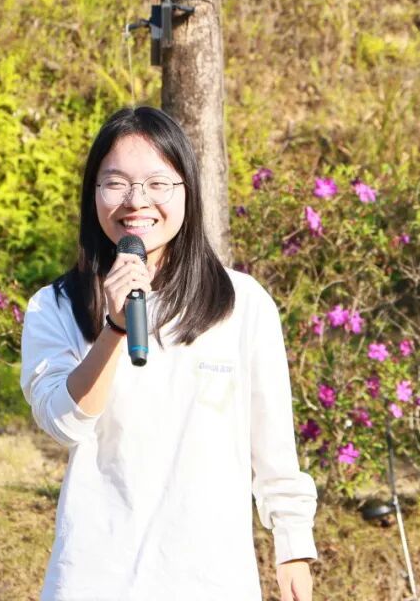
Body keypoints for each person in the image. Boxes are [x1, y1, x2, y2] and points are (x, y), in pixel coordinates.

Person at [21, 106, 317, 601]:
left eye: (158, 183)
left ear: (187, 191)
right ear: (93, 193)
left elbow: (273, 448)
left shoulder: (242, 304)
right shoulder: (55, 305)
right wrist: (115, 329)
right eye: (116, 183)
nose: (136, 201)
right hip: (96, 579)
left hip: (211, 581)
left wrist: (293, 546)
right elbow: (64, 424)